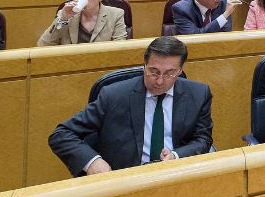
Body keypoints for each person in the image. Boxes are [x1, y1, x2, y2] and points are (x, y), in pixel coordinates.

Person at [49, 37, 214, 175]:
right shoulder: (113, 95)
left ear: (180, 70)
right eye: (154, 71)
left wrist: (177, 156)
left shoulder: (199, 94)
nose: (160, 80)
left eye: (169, 73)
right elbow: (62, 134)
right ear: (144, 66)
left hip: (176, 176)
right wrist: (92, 161)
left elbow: (203, 139)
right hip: (126, 180)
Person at [39, 0, 129, 45]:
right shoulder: (64, 14)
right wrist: (63, 19)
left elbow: (120, 48)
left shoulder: (116, 14)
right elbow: (43, 44)